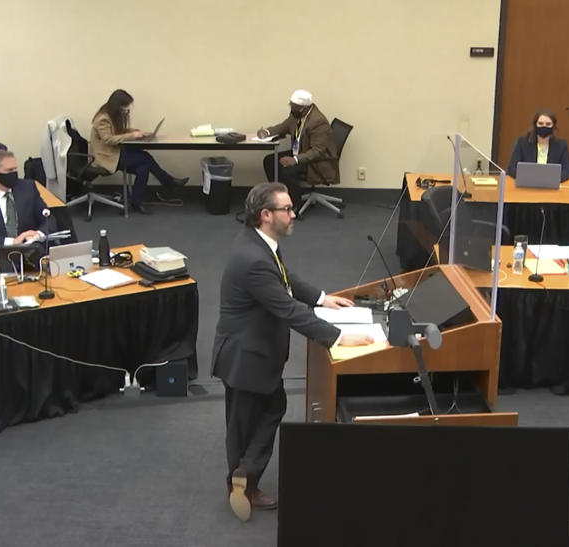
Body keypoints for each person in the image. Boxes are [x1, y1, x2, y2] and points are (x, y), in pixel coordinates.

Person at [212, 182, 373, 522]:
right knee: (244, 423)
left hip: (256, 354)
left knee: (272, 407)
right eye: (287, 209)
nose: (294, 213)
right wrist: (337, 337)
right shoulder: (253, 258)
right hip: (245, 358)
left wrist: (321, 297)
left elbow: (287, 279)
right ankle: (241, 483)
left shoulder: (261, 243)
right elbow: (286, 308)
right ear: (265, 214)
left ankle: (245, 472)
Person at [89, 89, 187, 214]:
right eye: (124, 107)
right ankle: (168, 182)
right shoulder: (103, 119)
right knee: (145, 157)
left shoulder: (110, 115)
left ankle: (137, 201)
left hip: (114, 152)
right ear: (117, 105)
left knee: (143, 167)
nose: (126, 110)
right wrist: (133, 136)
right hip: (106, 157)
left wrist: (137, 132)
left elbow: (119, 131)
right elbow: (108, 139)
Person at [258, 89, 339, 209]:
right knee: (270, 161)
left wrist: (295, 160)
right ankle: (279, 197)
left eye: (295, 107)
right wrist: (267, 132)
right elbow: (283, 127)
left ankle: (295, 204)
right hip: (300, 152)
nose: (292, 109)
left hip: (316, 161)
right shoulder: (297, 114)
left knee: (287, 170)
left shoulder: (318, 122)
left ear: (305, 108)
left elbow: (317, 151)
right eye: (291, 105)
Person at [506, 109, 569, 182]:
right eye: (540, 124)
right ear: (535, 125)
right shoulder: (522, 143)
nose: (544, 126)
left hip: (551, 184)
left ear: (553, 126)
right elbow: (512, 168)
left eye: (548, 124)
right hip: (527, 183)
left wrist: (554, 180)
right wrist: (528, 179)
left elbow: (568, 170)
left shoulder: (561, 145)